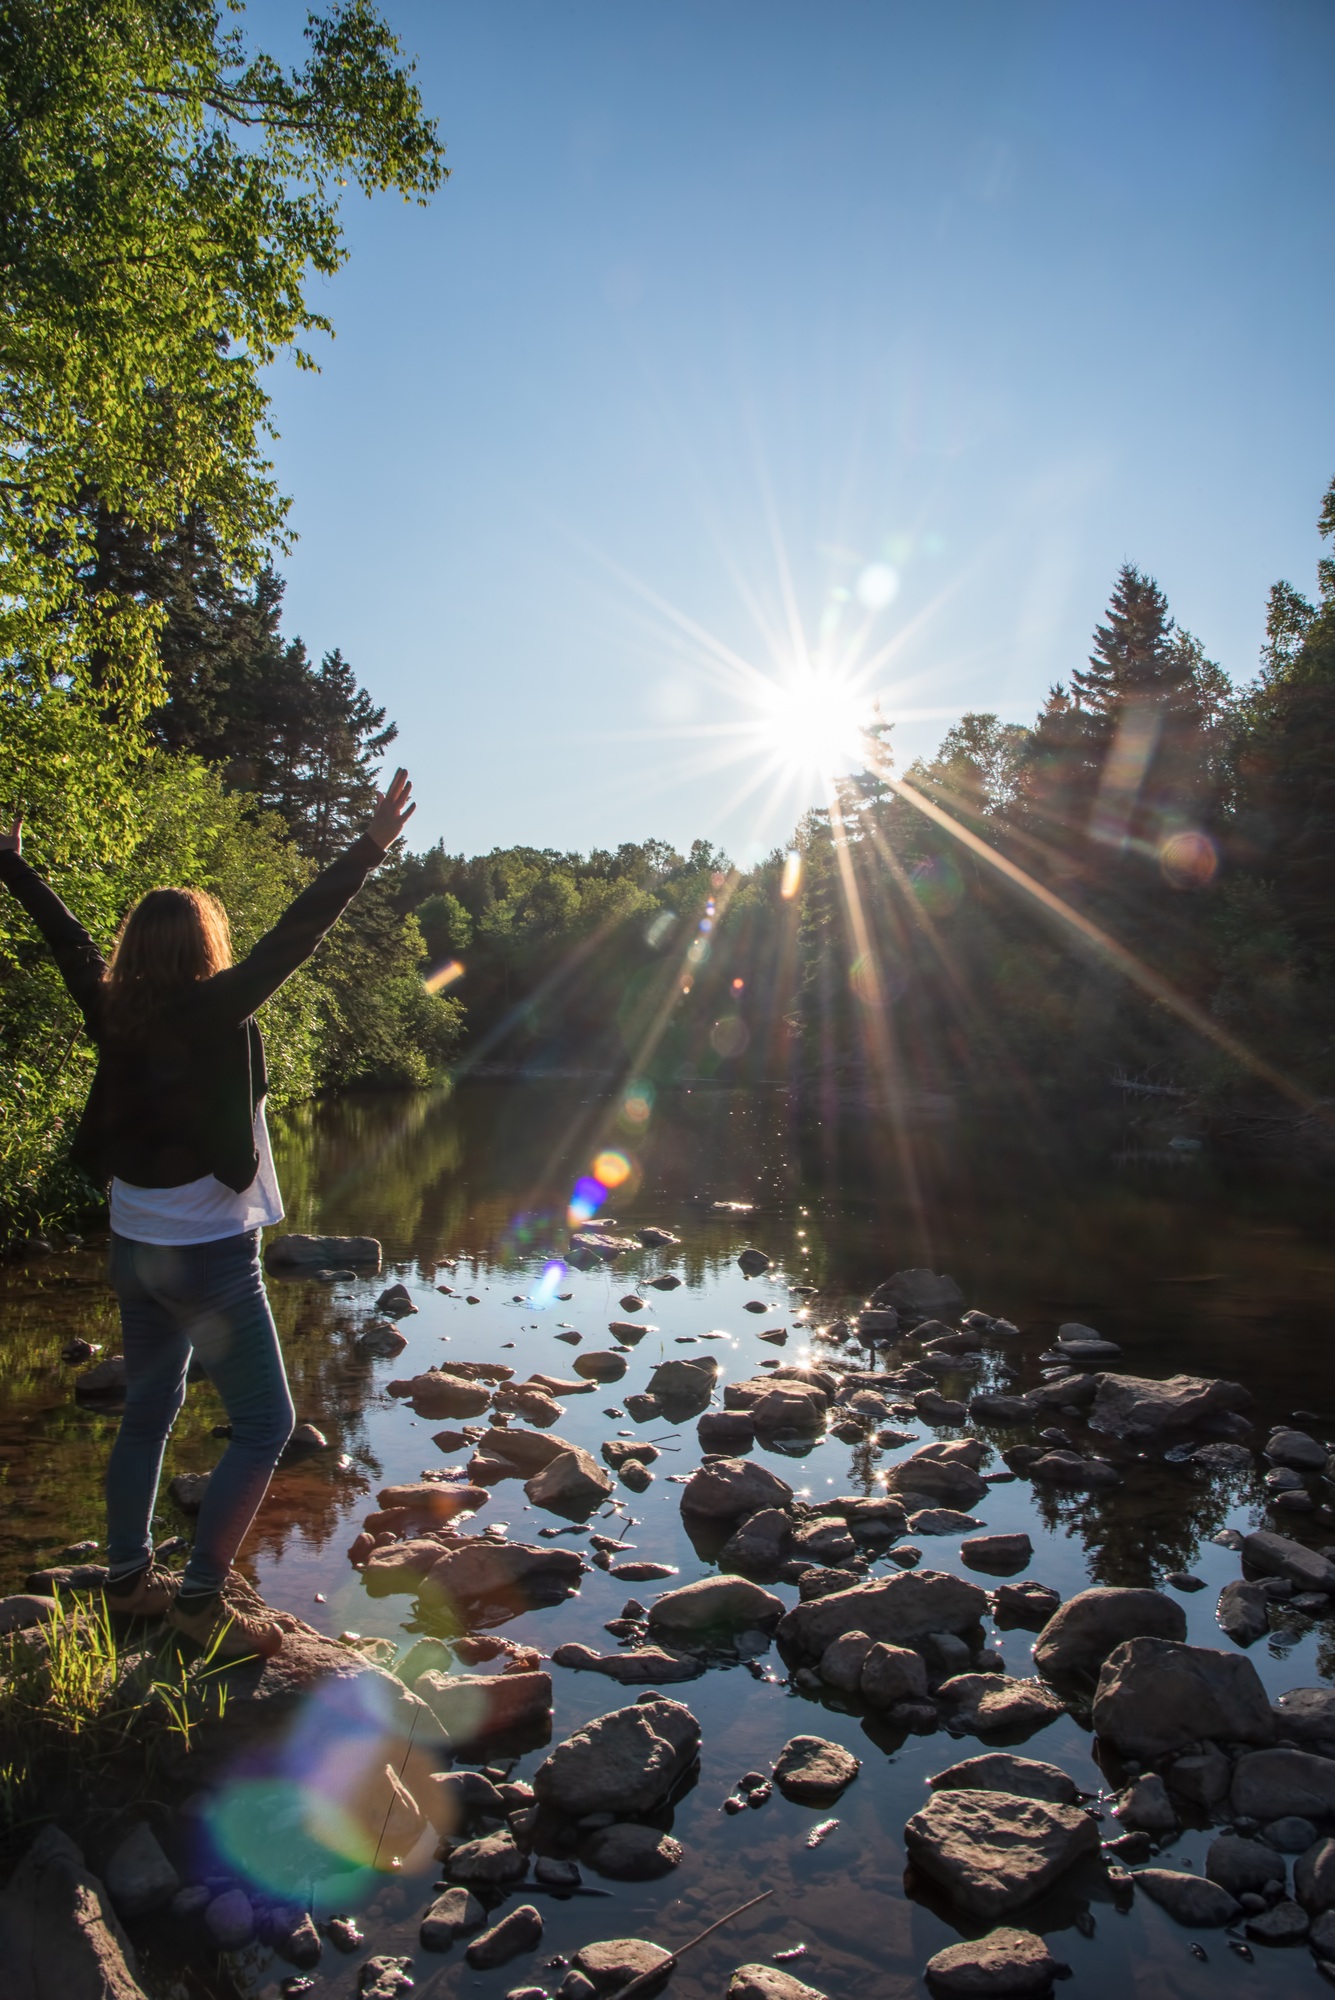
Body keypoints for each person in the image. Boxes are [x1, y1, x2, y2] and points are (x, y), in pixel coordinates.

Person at [0, 769, 416, 1659]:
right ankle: (195, 1603)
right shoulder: (215, 1005)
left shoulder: (108, 1004)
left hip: (133, 1247)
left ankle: (125, 1579)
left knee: (149, 1410)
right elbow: (296, 933)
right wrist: (371, 847)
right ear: (201, 946)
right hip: (209, 1258)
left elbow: (64, 934)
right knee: (265, 1426)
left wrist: (12, 867)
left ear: (135, 949)